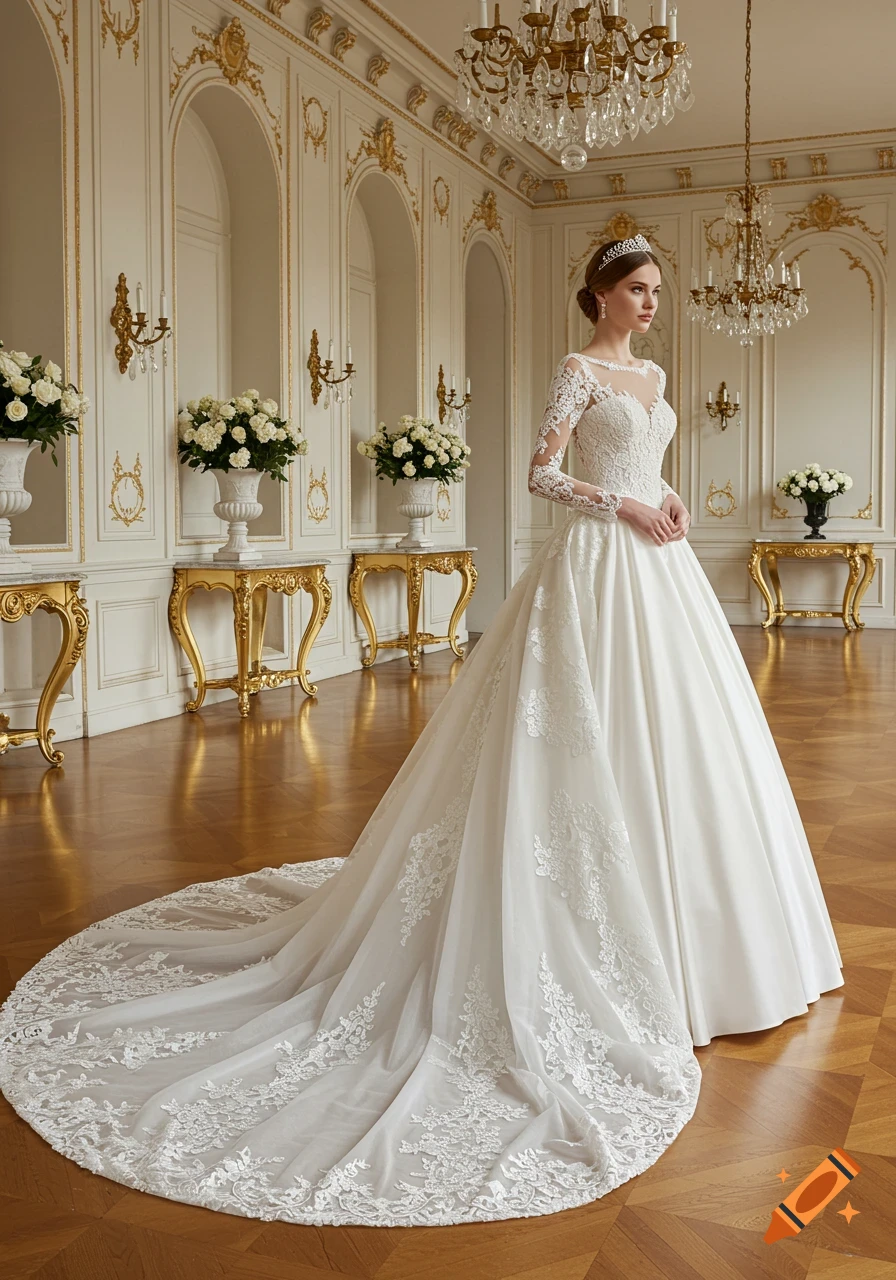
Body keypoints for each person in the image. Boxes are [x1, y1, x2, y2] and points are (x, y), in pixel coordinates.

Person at [0, 236, 843, 1230]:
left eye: (657, 289)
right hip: (590, 571)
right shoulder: (576, 370)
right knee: (562, 751)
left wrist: (660, 496)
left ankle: (699, 945)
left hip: (654, 578)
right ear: (600, 293)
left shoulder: (655, 375)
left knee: (685, 751)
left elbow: (648, 458)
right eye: (635, 288)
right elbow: (539, 474)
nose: (650, 303)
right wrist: (616, 499)